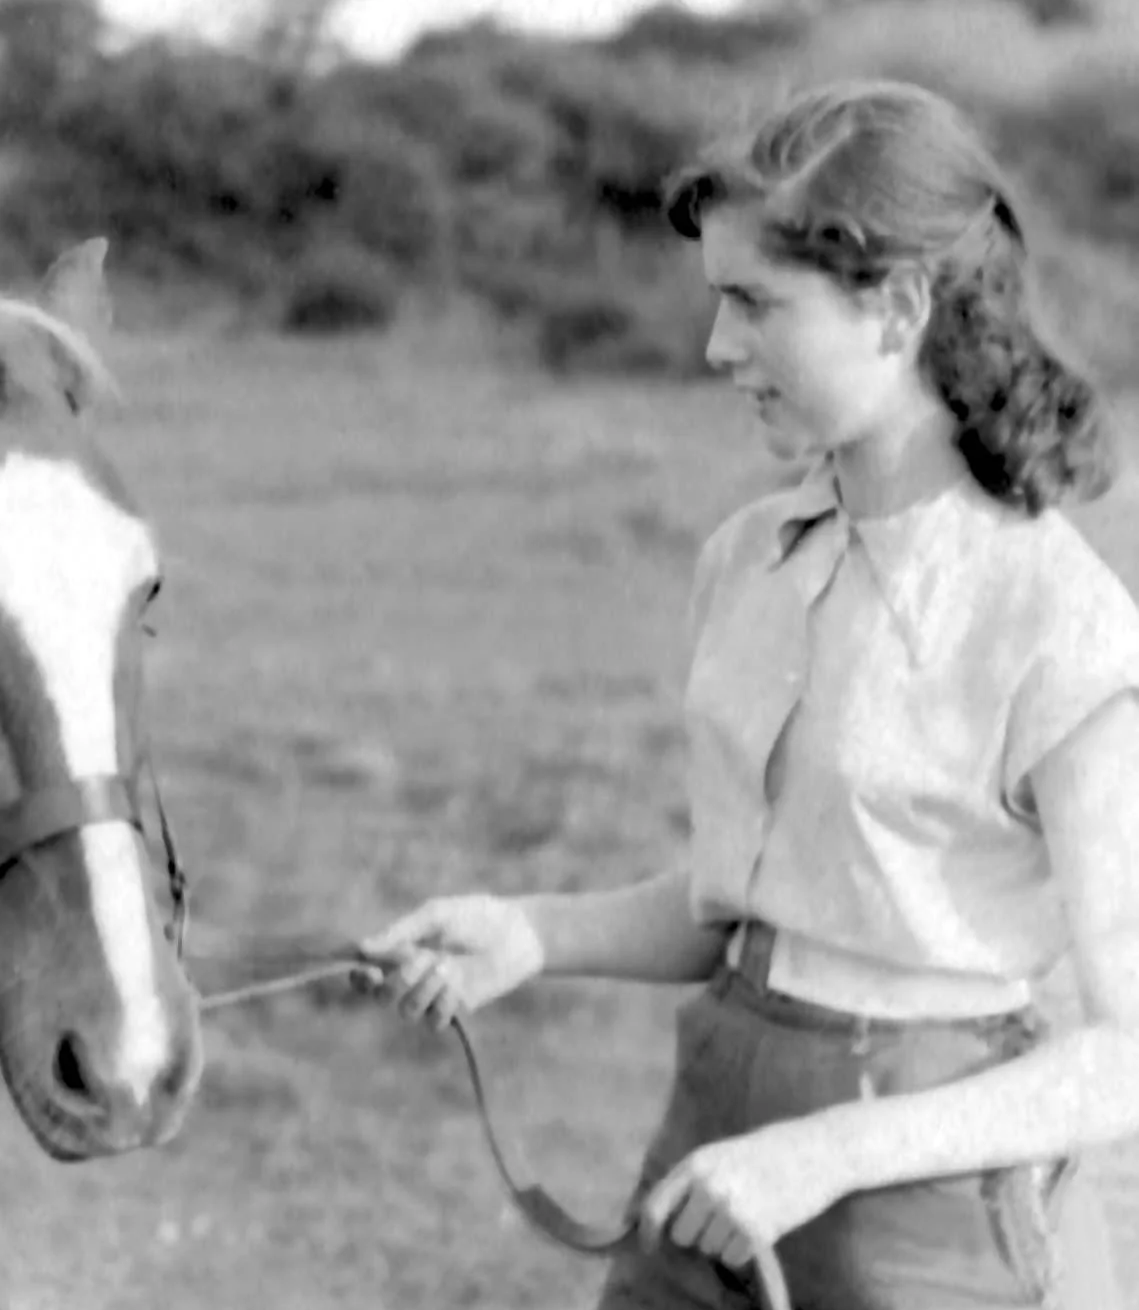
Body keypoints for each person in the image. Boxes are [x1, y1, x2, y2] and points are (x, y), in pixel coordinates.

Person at [358, 78, 1139, 1309]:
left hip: (924, 1197)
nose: (718, 347)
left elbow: (1125, 1057)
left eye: (754, 304)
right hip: (715, 1133)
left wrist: (824, 1153)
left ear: (895, 306)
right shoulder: (747, 558)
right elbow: (757, 905)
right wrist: (532, 930)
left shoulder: (1060, 623)